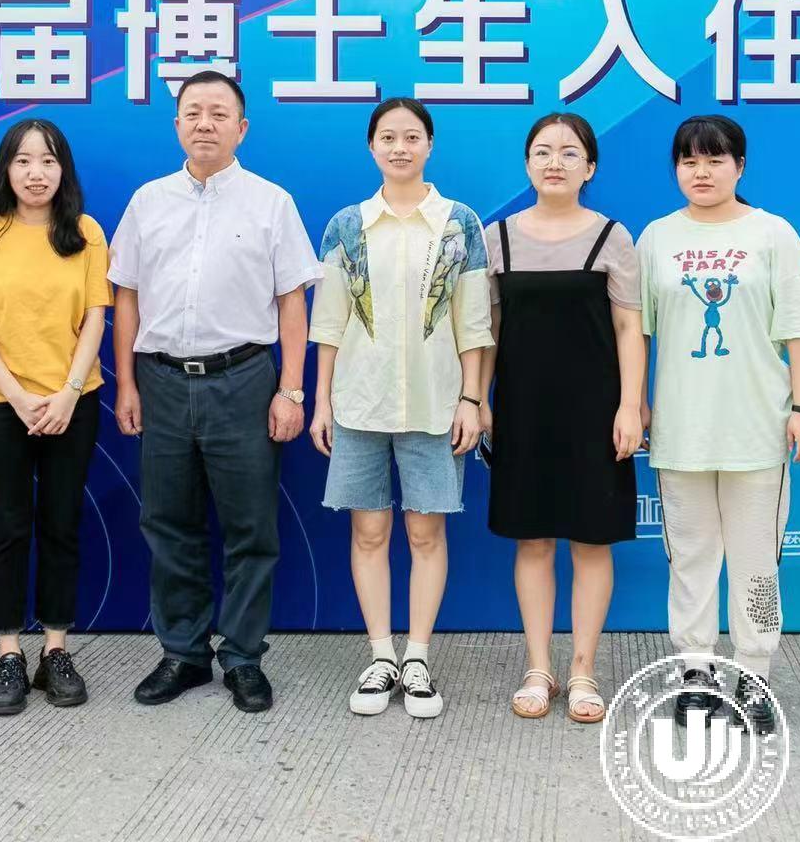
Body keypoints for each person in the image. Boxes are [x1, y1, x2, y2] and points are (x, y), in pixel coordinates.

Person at [109, 71, 322, 714]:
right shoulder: (148, 201)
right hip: (162, 381)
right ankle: (183, 652)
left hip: (245, 379)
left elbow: (292, 302)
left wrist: (292, 390)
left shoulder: (271, 203)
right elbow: (126, 296)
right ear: (177, 124)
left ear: (241, 127)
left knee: (250, 527)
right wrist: (127, 383)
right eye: (194, 112)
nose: (205, 123)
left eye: (219, 113)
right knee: (168, 523)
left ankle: (244, 657)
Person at [637, 115, 800, 736]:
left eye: (715, 160)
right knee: (690, 559)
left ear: (740, 167)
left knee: (756, 563)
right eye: (689, 161)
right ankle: (694, 672)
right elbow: (636, 331)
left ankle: (754, 675)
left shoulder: (772, 233)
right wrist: (635, 403)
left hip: (758, 428)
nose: (701, 172)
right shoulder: (657, 238)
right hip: (681, 431)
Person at [308, 98, 492, 719]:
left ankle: (417, 658)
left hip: (437, 405)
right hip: (359, 404)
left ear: (430, 145)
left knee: (424, 532)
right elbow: (328, 323)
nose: (400, 148)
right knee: (369, 531)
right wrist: (322, 402)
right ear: (372, 147)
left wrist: (472, 399)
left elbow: (473, 323)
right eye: (388, 137)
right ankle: (380, 655)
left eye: (412, 137)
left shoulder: (459, 224)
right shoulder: (347, 226)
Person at [0, 119, 111, 716]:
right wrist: (17, 397)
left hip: (73, 403)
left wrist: (67, 393)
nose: (36, 173)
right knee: (9, 527)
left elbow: (95, 318)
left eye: (48, 161)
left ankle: (55, 650)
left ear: (64, 170)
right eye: (23, 161)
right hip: (1, 405)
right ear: (6, 169)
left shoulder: (85, 232)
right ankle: (9, 653)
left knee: (61, 523)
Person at [484, 112, 645, 724]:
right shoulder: (497, 238)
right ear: (527, 164)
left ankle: (582, 670)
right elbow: (488, 330)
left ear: (590, 167)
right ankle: (538, 668)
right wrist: (478, 399)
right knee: (532, 539)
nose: (555, 162)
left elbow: (629, 327)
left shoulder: (612, 237)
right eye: (543, 152)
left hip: (595, 411)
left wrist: (630, 405)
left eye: (570, 152)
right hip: (522, 409)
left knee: (592, 540)